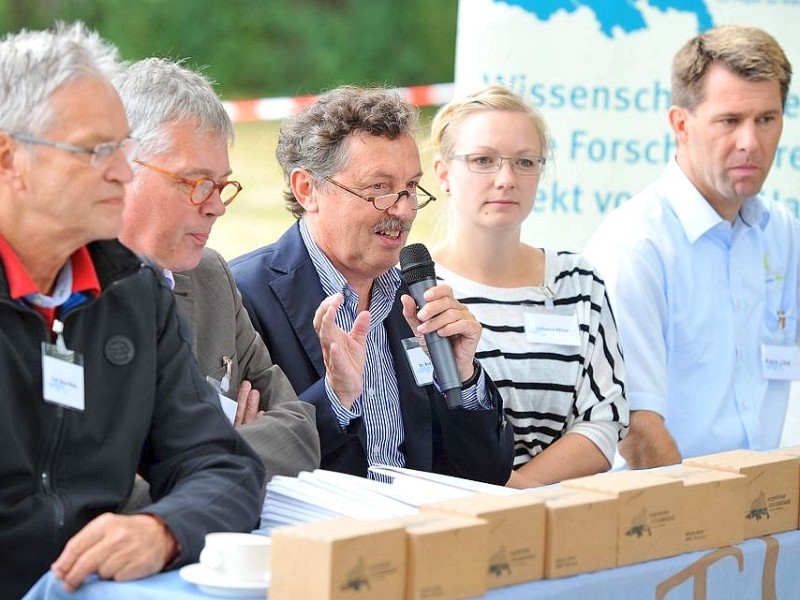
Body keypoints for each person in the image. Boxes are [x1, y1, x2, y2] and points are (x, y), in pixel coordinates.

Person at [0, 24, 264, 597]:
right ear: (8, 159)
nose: (123, 170)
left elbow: (225, 468)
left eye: (122, 148)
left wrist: (163, 529)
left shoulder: (134, 291)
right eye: (96, 150)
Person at [231, 86, 514, 484]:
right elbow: (241, 462)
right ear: (307, 189)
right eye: (379, 188)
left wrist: (463, 377)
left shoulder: (414, 299)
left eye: (411, 187)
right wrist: (334, 396)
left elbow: (487, 473)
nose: (402, 209)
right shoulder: (242, 296)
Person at [584, 25, 798, 468]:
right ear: (681, 124)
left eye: (766, 119)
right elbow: (637, 432)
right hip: (671, 521)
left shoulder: (780, 231)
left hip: (765, 521)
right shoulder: (635, 245)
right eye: (730, 121)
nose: (750, 142)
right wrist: (707, 519)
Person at [115, 57, 320, 488]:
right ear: (120, 168)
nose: (217, 205)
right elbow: (89, 482)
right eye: (195, 182)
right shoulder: (60, 289)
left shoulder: (211, 280)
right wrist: (221, 450)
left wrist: (206, 455)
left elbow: (299, 433)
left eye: (222, 183)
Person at [428, 85, 628, 489]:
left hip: (560, 526)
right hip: (447, 519)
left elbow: (605, 422)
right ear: (444, 174)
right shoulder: (414, 289)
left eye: (524, 162)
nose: (506, 179)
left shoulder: (577, 281)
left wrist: (517, 494)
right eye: (483, 160)